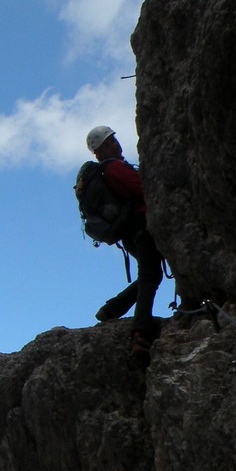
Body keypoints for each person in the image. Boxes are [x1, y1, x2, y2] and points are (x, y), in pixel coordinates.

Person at [85, 125, 163, 368]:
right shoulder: (114, 168)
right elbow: (141, 188)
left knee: (150, 275)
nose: (116, 143)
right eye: (110, 141)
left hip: (130, 232)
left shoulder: (107, 170)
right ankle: (141, 334)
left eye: (114, 139)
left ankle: (112, 309)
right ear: (102, 149)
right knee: (150, 277)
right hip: (141, 226)